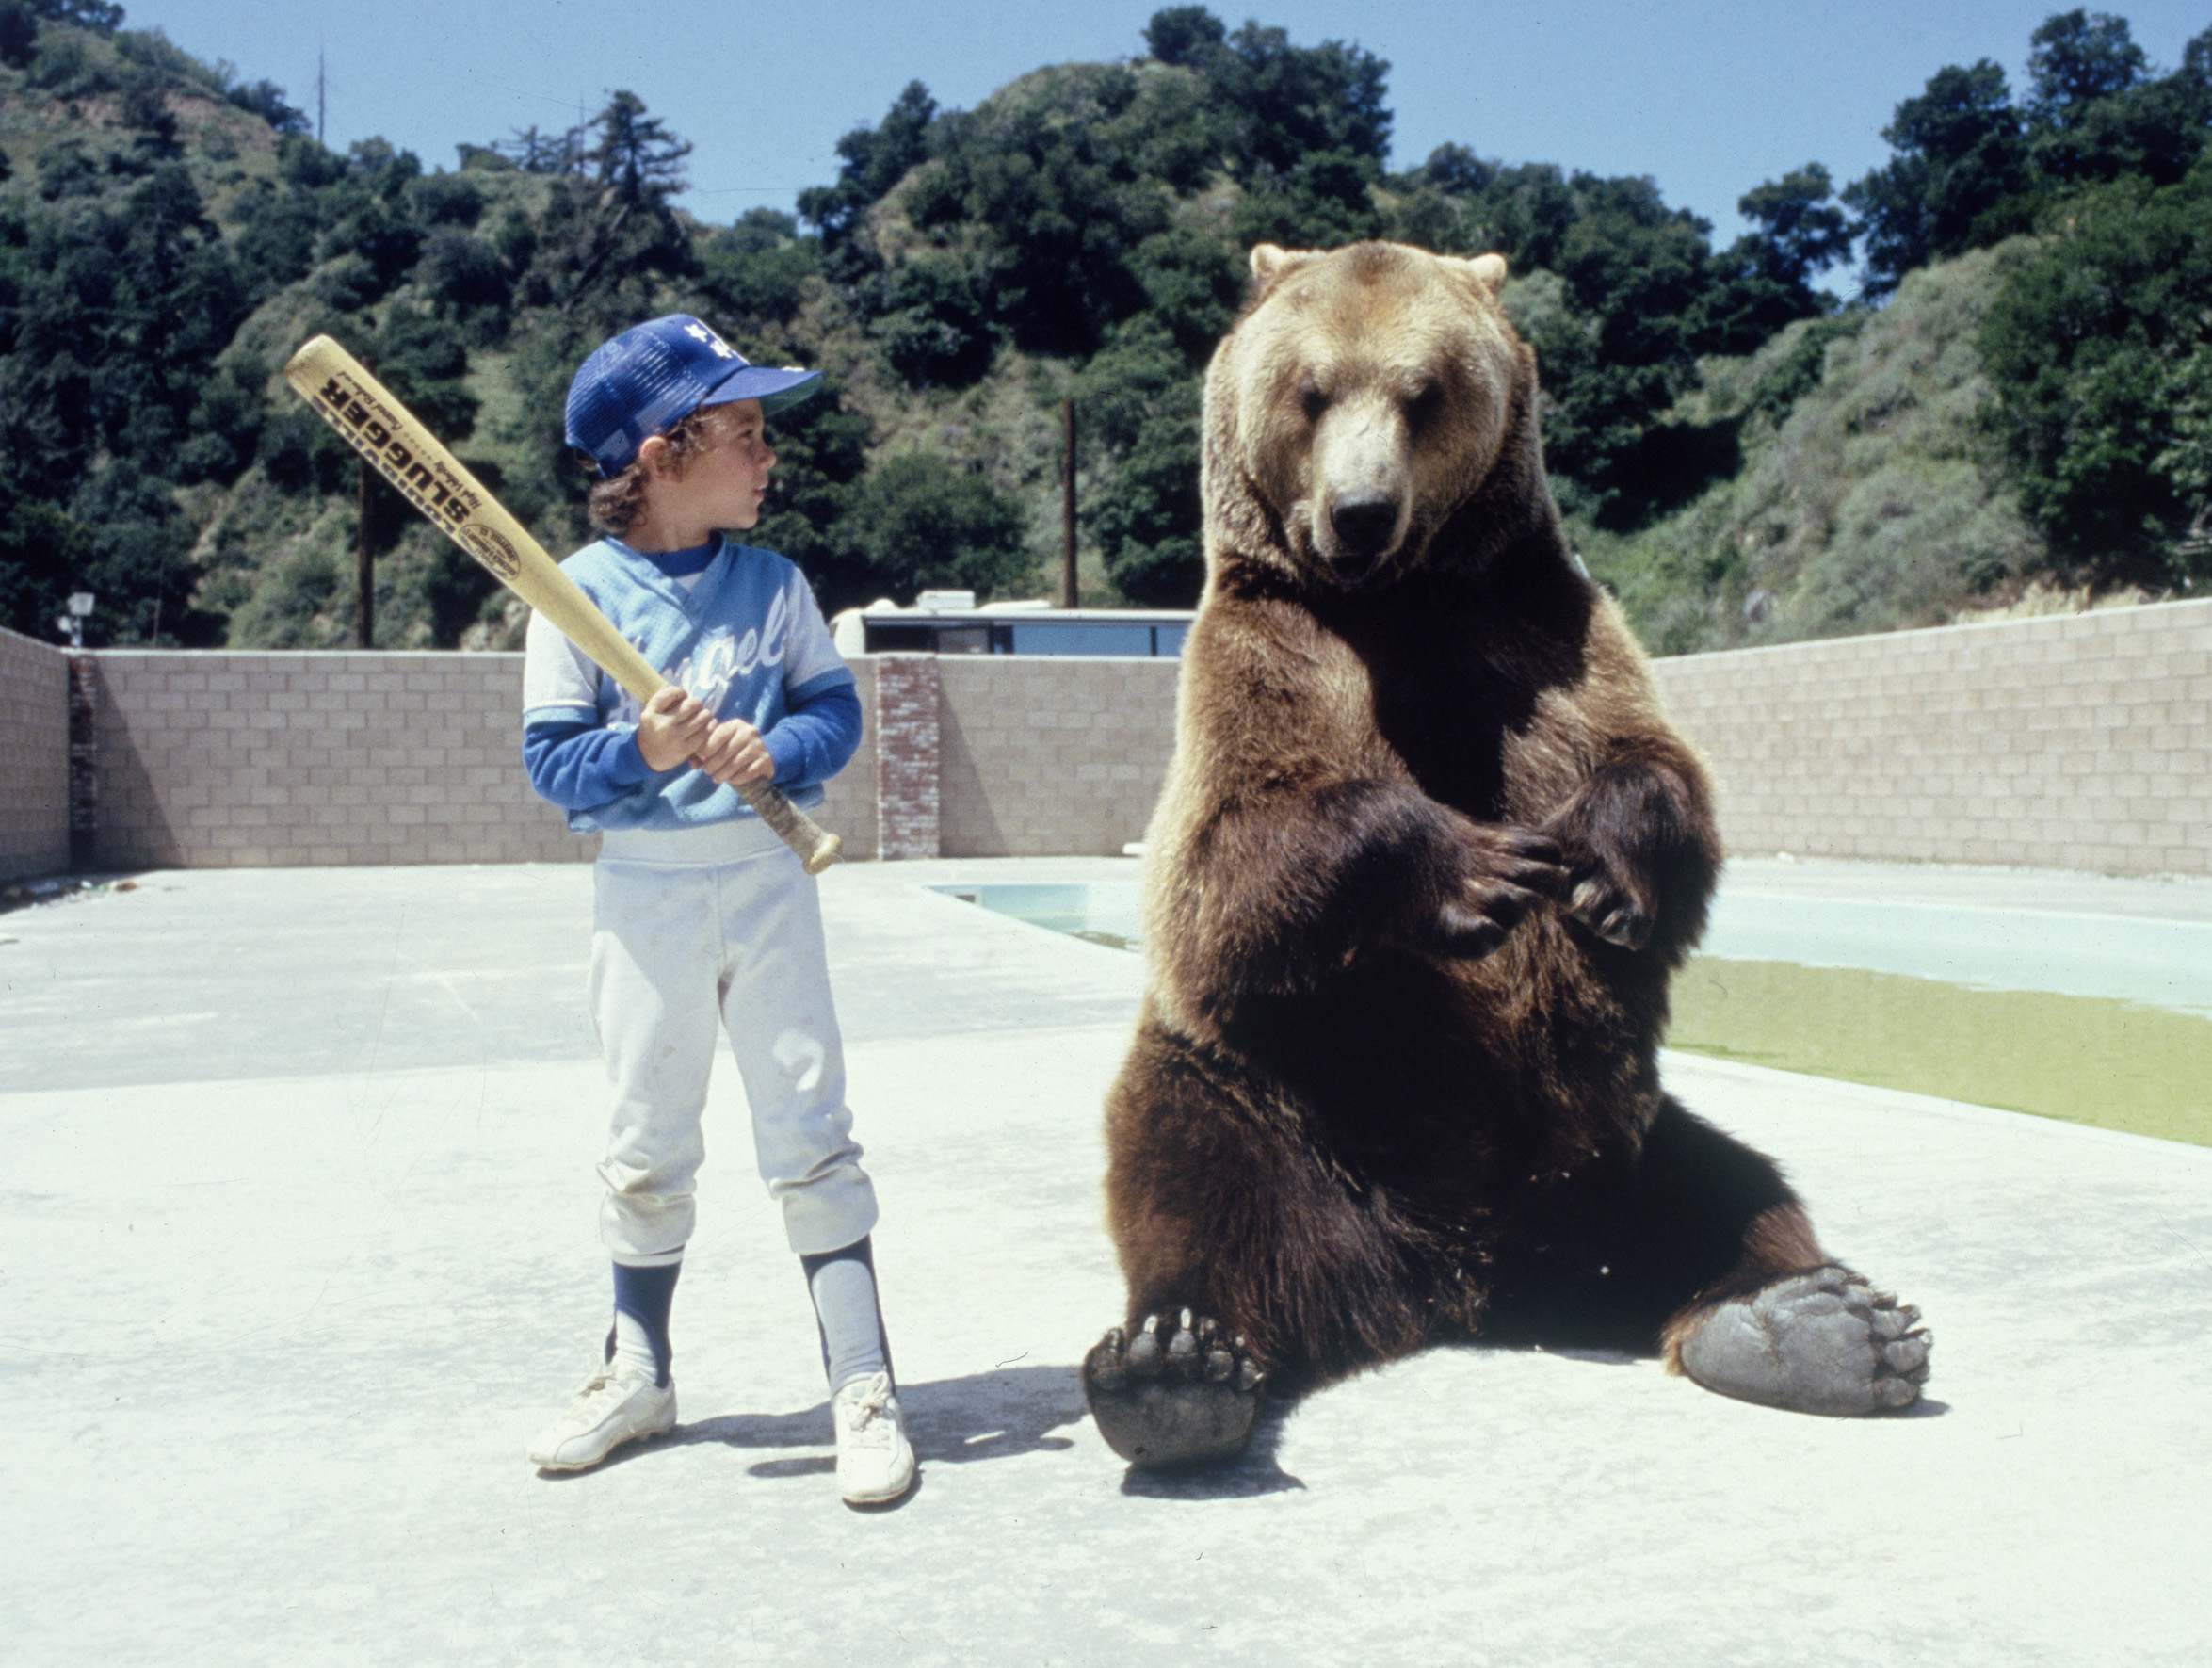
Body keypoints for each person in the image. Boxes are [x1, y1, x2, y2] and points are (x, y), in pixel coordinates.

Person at [517, 315, 912, 1505]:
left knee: (808, 1123)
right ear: (663, 452)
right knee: (646, 1137)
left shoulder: (777, 586)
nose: (766, 454)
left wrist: (777, 750)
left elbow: (833, 716)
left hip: (765, 877)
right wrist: (638, 747)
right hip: (643, 892)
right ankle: (638, 1370)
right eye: (741, 431)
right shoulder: (573, 596)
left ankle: (865, 1382)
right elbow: (552, 766)